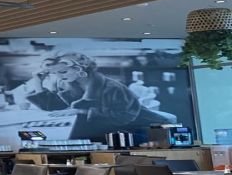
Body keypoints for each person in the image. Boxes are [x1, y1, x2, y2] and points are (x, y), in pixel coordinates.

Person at [23, 52, 174, 138]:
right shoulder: (66, 83)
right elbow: (53, 106)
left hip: (139, 131)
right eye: (54, 73)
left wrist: (81, 111)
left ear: (80, 68)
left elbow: (124, 116)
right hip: (107, 129)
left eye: (63, 71)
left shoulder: (113, 88)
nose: (59, 76)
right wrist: (38, 82)